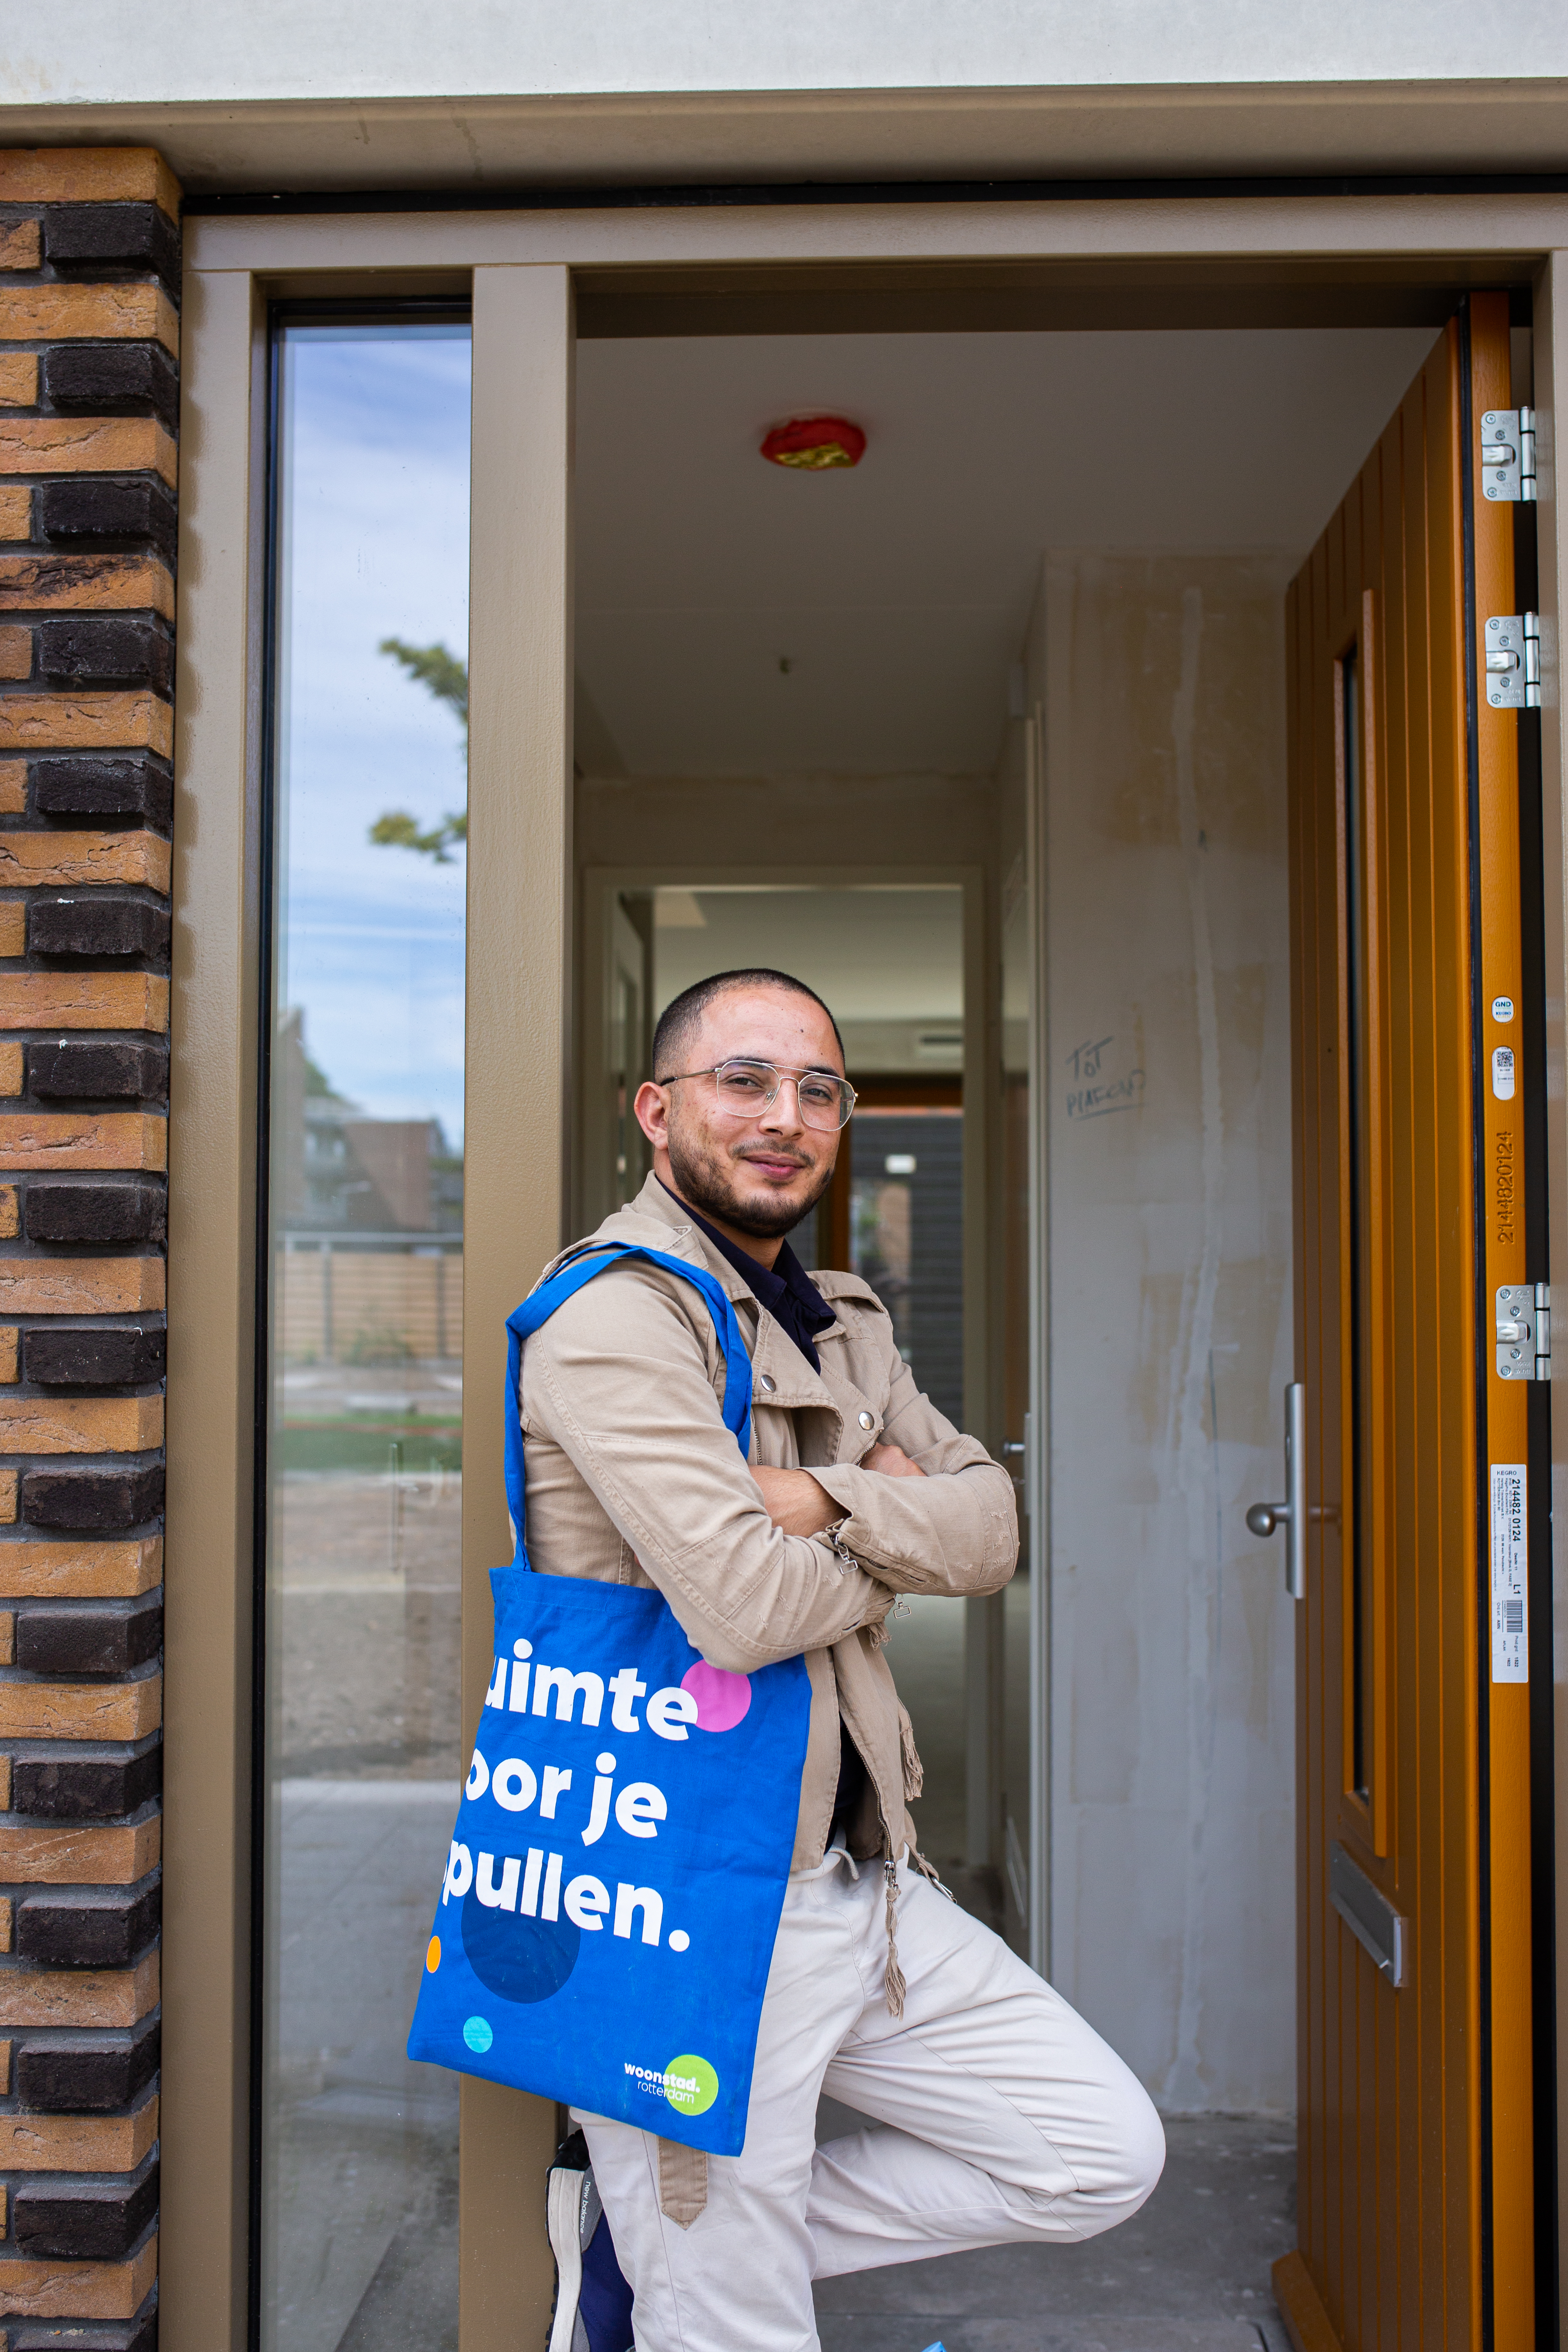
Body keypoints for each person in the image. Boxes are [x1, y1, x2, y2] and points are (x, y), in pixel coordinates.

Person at [529, 968, 1163, 2352]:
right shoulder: (611, 1319)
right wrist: (894, 1519)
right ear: (657, 1109)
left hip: (853, 1882)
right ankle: (681, 2259)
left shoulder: (843, 1319)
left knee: (1097, 2149)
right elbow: (748, 1611)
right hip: (682, 1896)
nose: (785, 1114)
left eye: (817, 1089)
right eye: (744, 1080)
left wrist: (819, 1497)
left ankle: (656, 2250)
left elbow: (996, 1531)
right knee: (740, 2334)